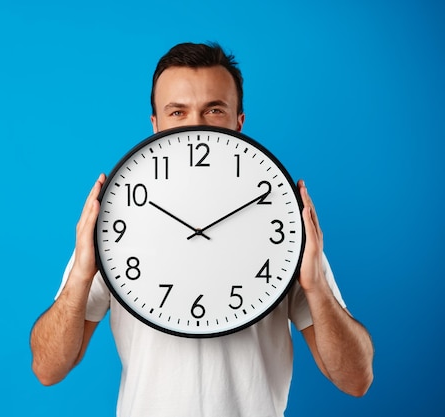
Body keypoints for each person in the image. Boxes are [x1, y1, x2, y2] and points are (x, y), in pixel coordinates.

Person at [30, 42, 374, 416]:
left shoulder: (283, 222)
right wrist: (81, 276)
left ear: (238, 122)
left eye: (213, 109)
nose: (194, 127)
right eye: (177, 112)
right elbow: (48, 369)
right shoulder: (118, 220)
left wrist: (316, 287)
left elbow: (355, 380)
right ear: (155, 125)